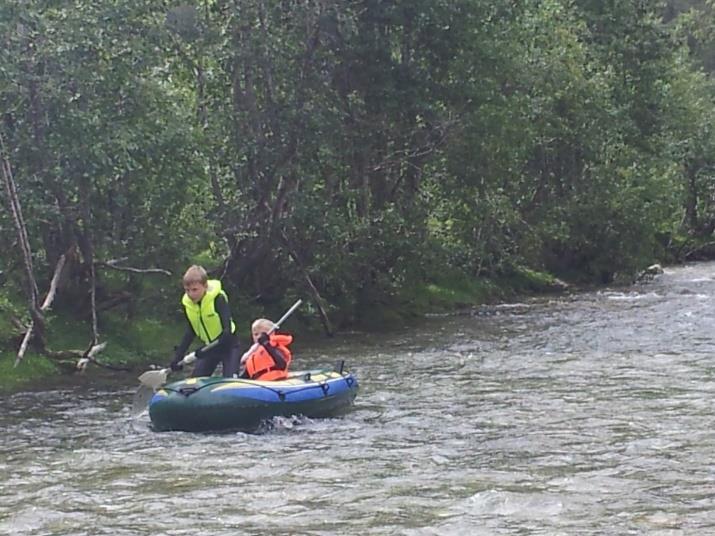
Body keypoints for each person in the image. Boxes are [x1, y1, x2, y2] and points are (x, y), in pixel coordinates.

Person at [169, 265, 240, 377]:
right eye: (187, 290)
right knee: (195, 383)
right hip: (210, 348)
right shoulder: (188, 305)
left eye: (195, 290)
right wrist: (178, 356)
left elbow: (227, 332)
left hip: (229, 345)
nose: (191, 294)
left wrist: (203, 351)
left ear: (205, 286)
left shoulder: (218, 299)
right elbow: (190, 331)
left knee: (230, 380)